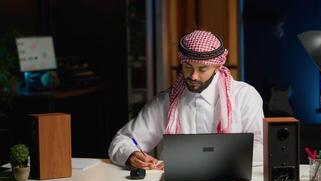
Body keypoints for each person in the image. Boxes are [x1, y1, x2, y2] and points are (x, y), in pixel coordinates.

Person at [108, 30, 264, 170]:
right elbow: (123, 140)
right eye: (188, 67)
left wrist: (211, 160)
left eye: (202, 69)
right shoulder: (165, 102)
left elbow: (262, 147)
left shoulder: (245, 96)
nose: (193, 76)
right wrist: (131, 154)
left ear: (217, 66)